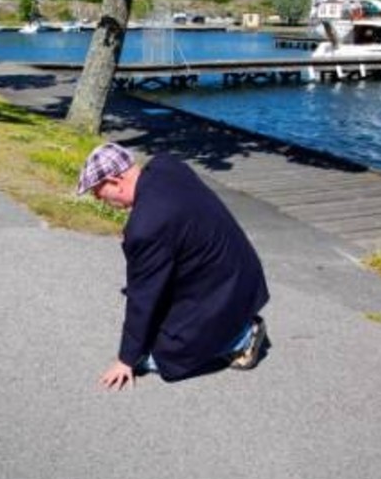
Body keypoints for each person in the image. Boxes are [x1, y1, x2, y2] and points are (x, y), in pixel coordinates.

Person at [77, 143, 269, 390]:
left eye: (97, 190)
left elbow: (143, 296)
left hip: (223, 292)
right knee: (161, 318)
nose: (97, 198)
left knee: (154, 358)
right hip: (243, 276)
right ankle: (235, 323)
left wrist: (126, 360)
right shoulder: (166, 166)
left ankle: (241, 338)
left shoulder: (147, 226)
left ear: (115, 181)